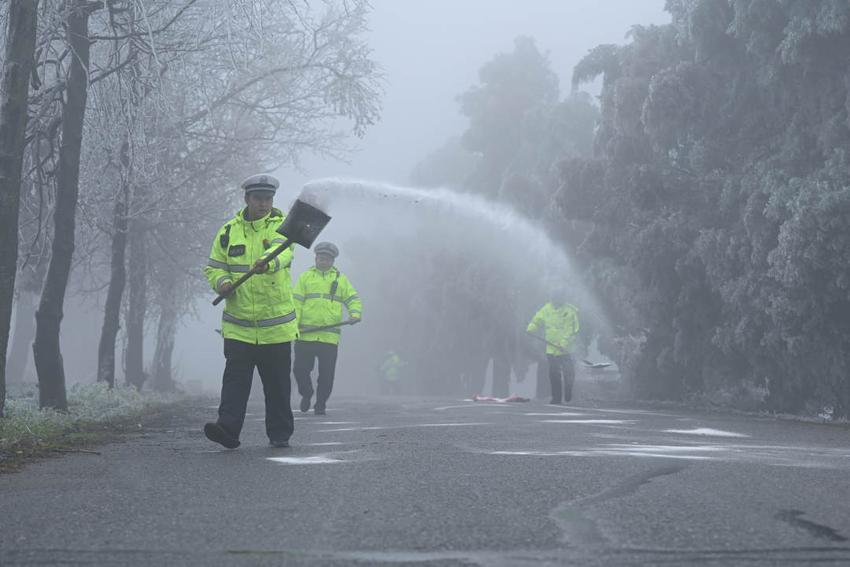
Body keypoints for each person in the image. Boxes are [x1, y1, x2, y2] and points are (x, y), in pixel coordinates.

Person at [202, 174, 298, 449]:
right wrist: (222, 283)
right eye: (258, 199)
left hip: (276, 327)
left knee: (277, 385)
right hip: (239, 326)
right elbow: (214, 266)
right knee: (235, 383)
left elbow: (287, 253)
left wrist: (269, 263)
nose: (264, 204)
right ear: (247, 199)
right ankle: (227, 430)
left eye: (268, 199)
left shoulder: (283, 227)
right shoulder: (228, 232)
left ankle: (280, 434)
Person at [292, 242, 362, 415]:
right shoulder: (305, 277)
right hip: (305, 336)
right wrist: (293, 325)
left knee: (327, 375)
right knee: (300, 370)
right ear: (316, 258)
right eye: (321, 258)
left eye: (327, 259)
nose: (324, 261)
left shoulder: (340, 279)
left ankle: (320, 404)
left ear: (333, 261)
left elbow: (353, 299)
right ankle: (307, 393)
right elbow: (296, 302)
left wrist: (354, 313)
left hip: (329, 338)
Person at [526, 295, 580, 404]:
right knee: (554, 374)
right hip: (551, 349)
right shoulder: (546, 309)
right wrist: (531, 328)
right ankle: (556, 398)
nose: (555, 300)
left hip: (567, 350)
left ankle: (568, 390)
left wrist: (564, 344)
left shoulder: (570, 311)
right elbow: (537, 320)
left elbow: (572, 331)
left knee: (568, 372)